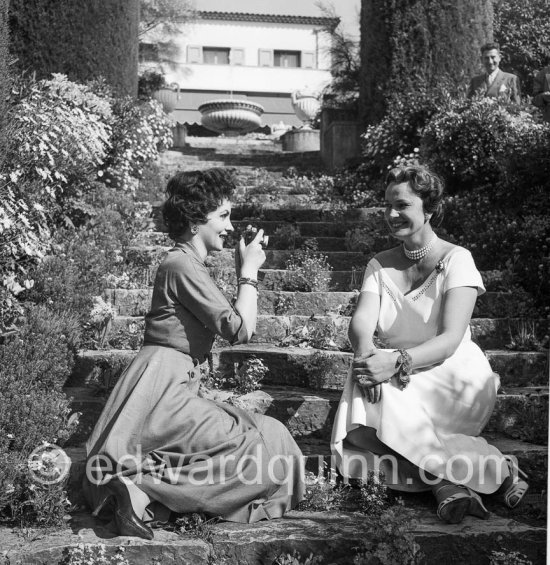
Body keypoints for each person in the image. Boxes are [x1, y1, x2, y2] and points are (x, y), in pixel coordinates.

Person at [82, 168, 304, 539]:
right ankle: (138, 488)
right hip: (162, 388)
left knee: (265, 431)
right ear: (195, 218)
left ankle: (136, 495)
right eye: (223, 216)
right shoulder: (182, 264)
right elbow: (239, 329)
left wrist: (241, 273)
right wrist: (249, 273)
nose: (230, 227)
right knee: (261, 438)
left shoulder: (185, 264)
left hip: (163, 383)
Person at [330, 164, 528, 524]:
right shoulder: (379, 264)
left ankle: (476, 475)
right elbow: (361, 323)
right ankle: (457, 480)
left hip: (452, 375)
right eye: (387, 205)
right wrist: (364, 358)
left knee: (372, 408)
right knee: (356, 429)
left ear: (430, 208)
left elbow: (451, 340)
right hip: (400, 374)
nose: (392, 214)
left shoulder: (457, 259)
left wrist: (395, 362)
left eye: (402, 205)